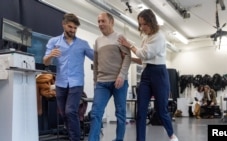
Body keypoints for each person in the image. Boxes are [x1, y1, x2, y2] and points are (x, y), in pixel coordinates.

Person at [118, 9, 178, 141]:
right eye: (140, 24)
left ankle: (172, 135)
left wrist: (129, 45)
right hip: (146, 74)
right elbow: (142, 60)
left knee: (161, 110)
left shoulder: (159, 37)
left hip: (159, 73)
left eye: (144, 24)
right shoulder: (145, 38)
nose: (142, 27)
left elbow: (144, 54)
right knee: (141, 111)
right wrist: (128, 58)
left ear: (151, 22)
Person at [43, 13, 94, 141]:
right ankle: (74, 134)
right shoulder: (54, 42)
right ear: (63, 25)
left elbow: (96, 58)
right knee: (64, 114)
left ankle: (75, 138)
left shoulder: (83, 44)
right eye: (70, 27)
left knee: (70, 111)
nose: (72, 30)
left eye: (75, 28)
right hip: (61, 83)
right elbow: (45, 62)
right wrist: (50, 56)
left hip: (76, 83)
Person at [88, 12, 131, 141]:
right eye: (99, 21)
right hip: (102, 83)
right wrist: (95, 80)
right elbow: (95, 62)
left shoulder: (120, 37)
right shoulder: (97, 40)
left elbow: (127, 57)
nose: (100, 24)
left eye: (103, 21)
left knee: (120, 114)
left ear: (111, 22)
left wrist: (122, 75)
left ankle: (119, 139)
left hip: (119, 82)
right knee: (96, 113)